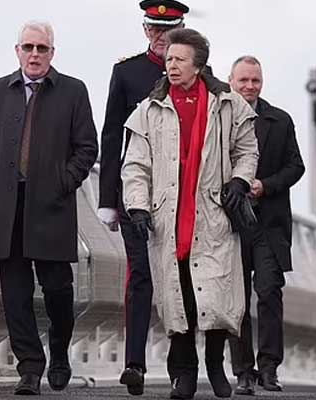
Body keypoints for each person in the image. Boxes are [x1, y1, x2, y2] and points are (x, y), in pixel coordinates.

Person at [121, 28, 258, 399]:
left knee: (213, 296)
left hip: (213, 213)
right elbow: (135, 165)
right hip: (168, 216)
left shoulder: (228, 104)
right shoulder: (148, 109)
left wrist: (241, 182)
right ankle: (183, 372)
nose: (171, 65)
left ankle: (215, 366)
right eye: (168, 59)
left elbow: (247, 150)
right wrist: (136, 205)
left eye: (179, 59)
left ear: (198, 65)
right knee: (176, 296)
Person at [0, 21, 98, 396]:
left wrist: (63, 181)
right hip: (8, 206)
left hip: (52, 205)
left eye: (42, 48)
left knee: (57, 289)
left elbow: (87, 147)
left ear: (52, 53)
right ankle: (29, 368)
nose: (35, 54)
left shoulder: (72, 91)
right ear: (17, 51)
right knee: (16, 294)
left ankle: (58, 351)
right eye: (28, 47)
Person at [97, 1, 189, 395]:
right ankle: (134, 362)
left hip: (181, 195)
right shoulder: (127, 72)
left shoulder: (196, 74)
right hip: (136, 192)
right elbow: (111, 135)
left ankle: (179, 368)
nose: (161, 37)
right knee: (140, 277)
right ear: (145, 30)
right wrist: (108, 198)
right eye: (154, 30)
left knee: (178, 281)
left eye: (168, 31)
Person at [225, 56, 305, 395]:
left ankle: (269, 368)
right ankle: (243, 371)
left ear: (262, 82)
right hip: (230, 222)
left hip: (269, 222)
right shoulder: (220, 118)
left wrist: (266, 185)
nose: (249, 87)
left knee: (270, 293)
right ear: (231, 81)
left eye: (255, 80)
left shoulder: (280, 120)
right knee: (236, 300)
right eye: (243, 80)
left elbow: (296, 166)